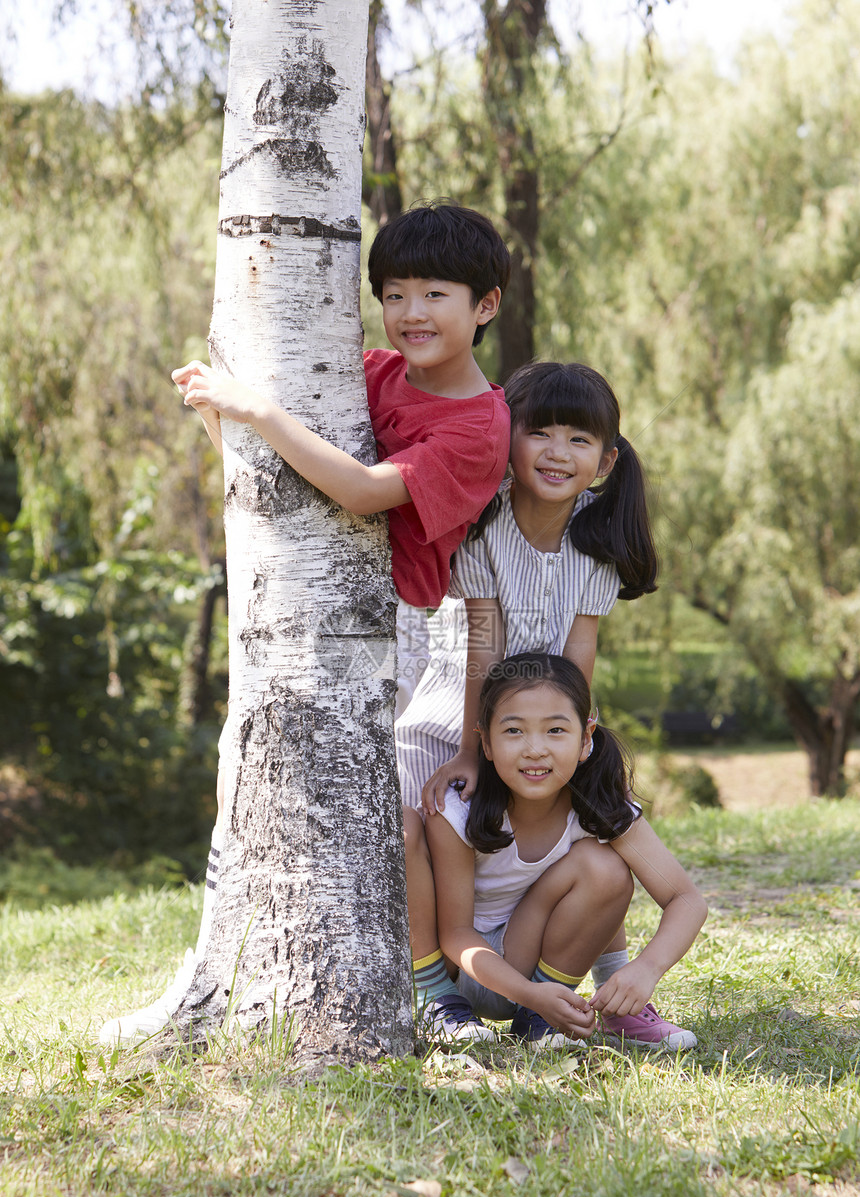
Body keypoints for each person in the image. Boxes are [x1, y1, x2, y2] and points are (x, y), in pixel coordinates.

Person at [99, 201, 512, 1044]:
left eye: (435, 293)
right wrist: (220, 413)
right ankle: (211, 972)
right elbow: (291, 479)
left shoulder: (481, 426)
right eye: (394, 294)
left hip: (397, 631)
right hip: (304, 610)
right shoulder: (368, 371)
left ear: (486, 306)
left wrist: (253, 409)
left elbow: (361, 491)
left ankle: (428, 991)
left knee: (380, 809)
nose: (411, 314)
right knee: (247, 776)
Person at [400, 361, 693, 1050]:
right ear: (509, 440)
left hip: (546, 717)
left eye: (578, 439)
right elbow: (482, 640)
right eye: (541, 433)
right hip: (459, 710)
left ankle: (610, 995)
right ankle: (433, 994)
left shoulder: (595, 538)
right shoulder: (485, 521)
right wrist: (472, 750)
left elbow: (579, 651)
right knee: (414, 827)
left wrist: (575, 738)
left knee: (592, 834)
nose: (558, 453)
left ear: (605, 459)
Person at [417, 652, 707, 1051]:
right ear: (485, 741)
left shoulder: (599, 805)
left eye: (556, 730)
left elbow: (685, 899)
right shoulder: (457, 808)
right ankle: (435, 1003)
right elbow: (456, 933)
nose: (535, 749)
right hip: (452, 968)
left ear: (586, 738)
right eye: (514, 731)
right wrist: (527, 992)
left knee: (604, 867)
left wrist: (645, 969)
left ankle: (540, 1023)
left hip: (530, 969)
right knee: (399, 824)